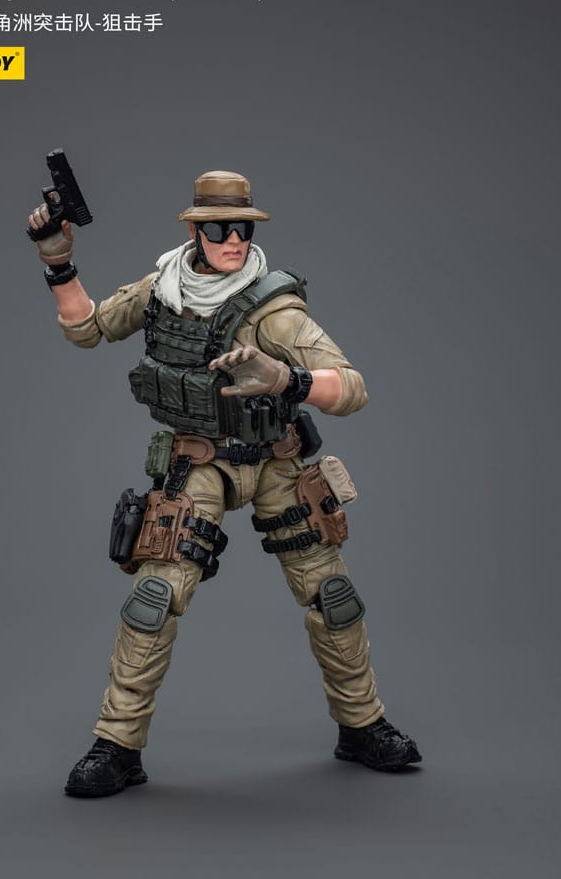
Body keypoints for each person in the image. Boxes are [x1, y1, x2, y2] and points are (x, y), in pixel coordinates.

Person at [28, 169, 421, 797]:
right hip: (199, 461)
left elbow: (352, 388)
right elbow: (87, 329)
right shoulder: (163, 289)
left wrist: (288, 380)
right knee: (154, 599)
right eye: (218, 229)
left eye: (242, 227)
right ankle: (117, 744)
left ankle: (362, 724)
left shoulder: (275, 310)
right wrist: (57, 262)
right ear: (194, 232)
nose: (233, 240)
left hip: (276, 462)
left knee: (331, 594)